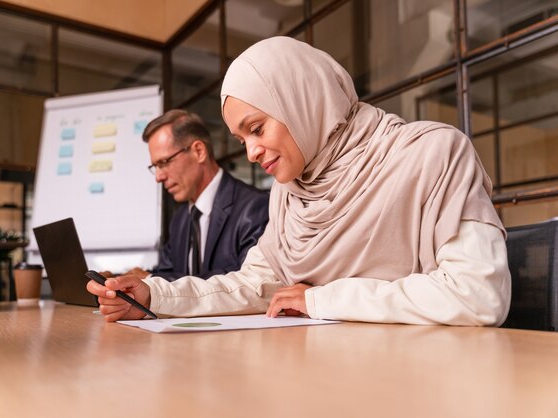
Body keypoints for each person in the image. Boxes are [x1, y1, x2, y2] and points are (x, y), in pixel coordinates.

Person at [88, 36, 511, 326]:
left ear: (303, 100)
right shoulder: (290, 195)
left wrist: (319, 299)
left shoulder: (432, 153)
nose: (251, 152)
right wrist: (153, 296)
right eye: (241, 139)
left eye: (257, 129)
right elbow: (254, 284)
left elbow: (478, 294)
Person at [110, 110, 269, 281]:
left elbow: (247, 282)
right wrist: (117, 280)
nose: (158, 177)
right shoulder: (180, 219)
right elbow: (166, 273)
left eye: (164, 162)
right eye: (155, 167)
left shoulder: (255, 207)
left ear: (199, 151)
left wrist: (150, 279)